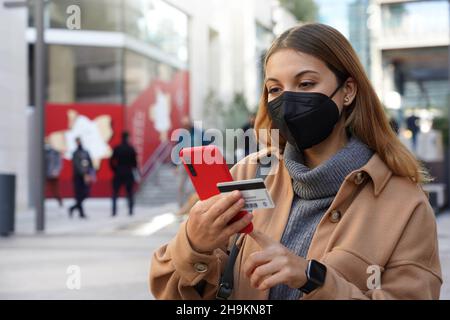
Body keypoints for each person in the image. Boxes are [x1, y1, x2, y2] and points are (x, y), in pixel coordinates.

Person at [150, 24, 442, 300]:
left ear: (348, 91)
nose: (288, 101)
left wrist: (312, 278)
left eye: (305, 83)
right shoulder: (249, 173)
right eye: (275, 89)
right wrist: (194, 245)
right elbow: (173, 292)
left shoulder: (405, 204)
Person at [109, 131, 138, 217]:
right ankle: (130, 210)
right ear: (127, 138)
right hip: (128, 172)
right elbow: (135, 163)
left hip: (118, 172)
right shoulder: (131, 148)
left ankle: (114, 211)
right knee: (129, 193)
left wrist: (115, 169)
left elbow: (111, 161)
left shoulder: (117, 148)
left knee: (115, 193)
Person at [69, 137, 94, 219]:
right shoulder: (75, 153)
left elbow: (90, 164)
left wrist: (90, 174)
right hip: (78, 177)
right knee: (79, 194)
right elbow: (76, 165)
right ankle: (81, 213)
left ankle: (73, 208)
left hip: (85, 176)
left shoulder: (86, 152)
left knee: (85, 193)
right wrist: (84, 174)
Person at [45, 139, 63, 207]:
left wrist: (56, 171)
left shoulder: (55, 153)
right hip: (45, 174)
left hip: (53, 174)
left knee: (55, 190)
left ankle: (60, 202)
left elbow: (59, 163)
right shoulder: (43, 152)